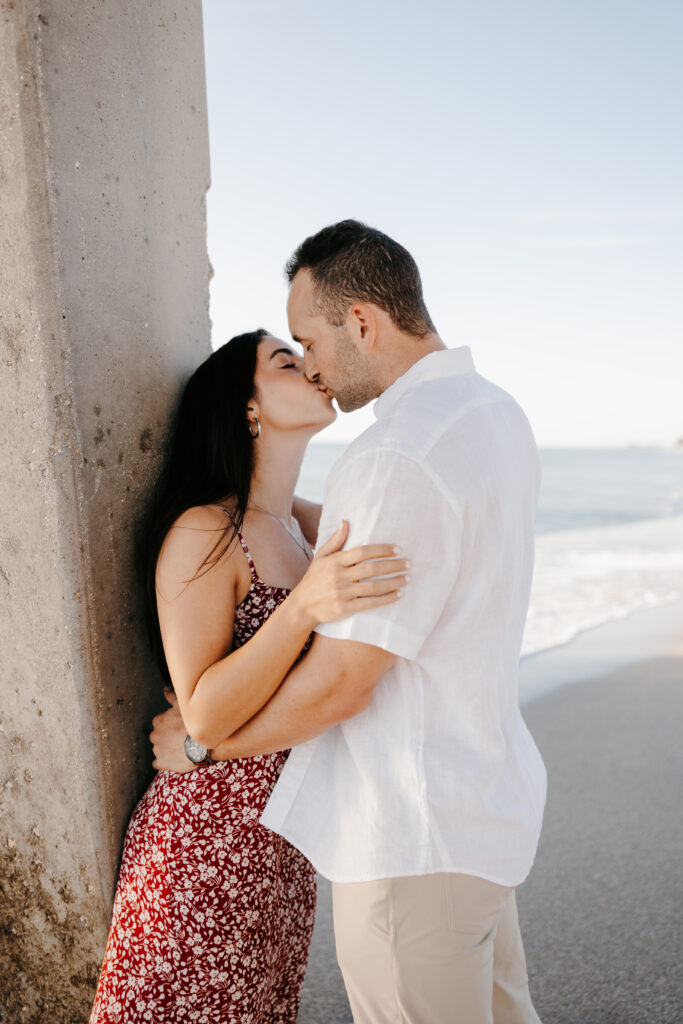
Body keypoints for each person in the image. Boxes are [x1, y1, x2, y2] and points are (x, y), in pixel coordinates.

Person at [152, 220, 547, 1023]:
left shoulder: (392, 455)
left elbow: (339, 687)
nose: (314, 367)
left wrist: (201, 746)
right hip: (474, 807)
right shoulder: (492, 414)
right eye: (288, 356)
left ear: (361, 322)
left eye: (308, 341)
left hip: (407, 828)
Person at [89, 327, 410, 1024]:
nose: (312, 370)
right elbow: (202, 714)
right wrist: (303, 608)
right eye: (285, 362)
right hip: (204, 844)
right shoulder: (206, 530)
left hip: (286, 838)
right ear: (247, 409)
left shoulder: (304, 527)